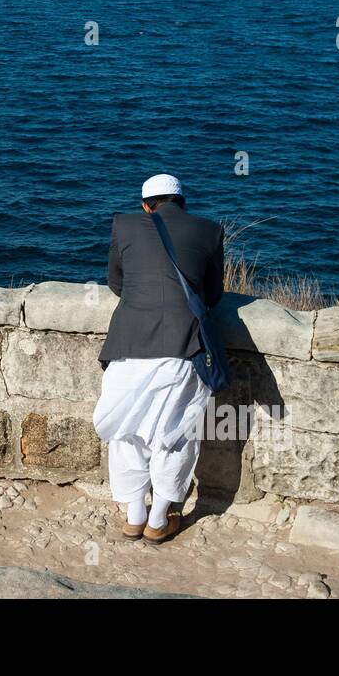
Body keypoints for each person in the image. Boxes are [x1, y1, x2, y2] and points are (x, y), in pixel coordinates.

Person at [93, 174, 224, 544]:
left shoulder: (124, 224)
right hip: (183, 348)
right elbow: (213, 294)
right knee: (176, 435)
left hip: (128, 346)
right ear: (182, 203)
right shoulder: (210, 231)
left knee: (126, 432)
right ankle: (158, 520)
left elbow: (116, 284)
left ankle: (133, 517)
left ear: (146, 206)